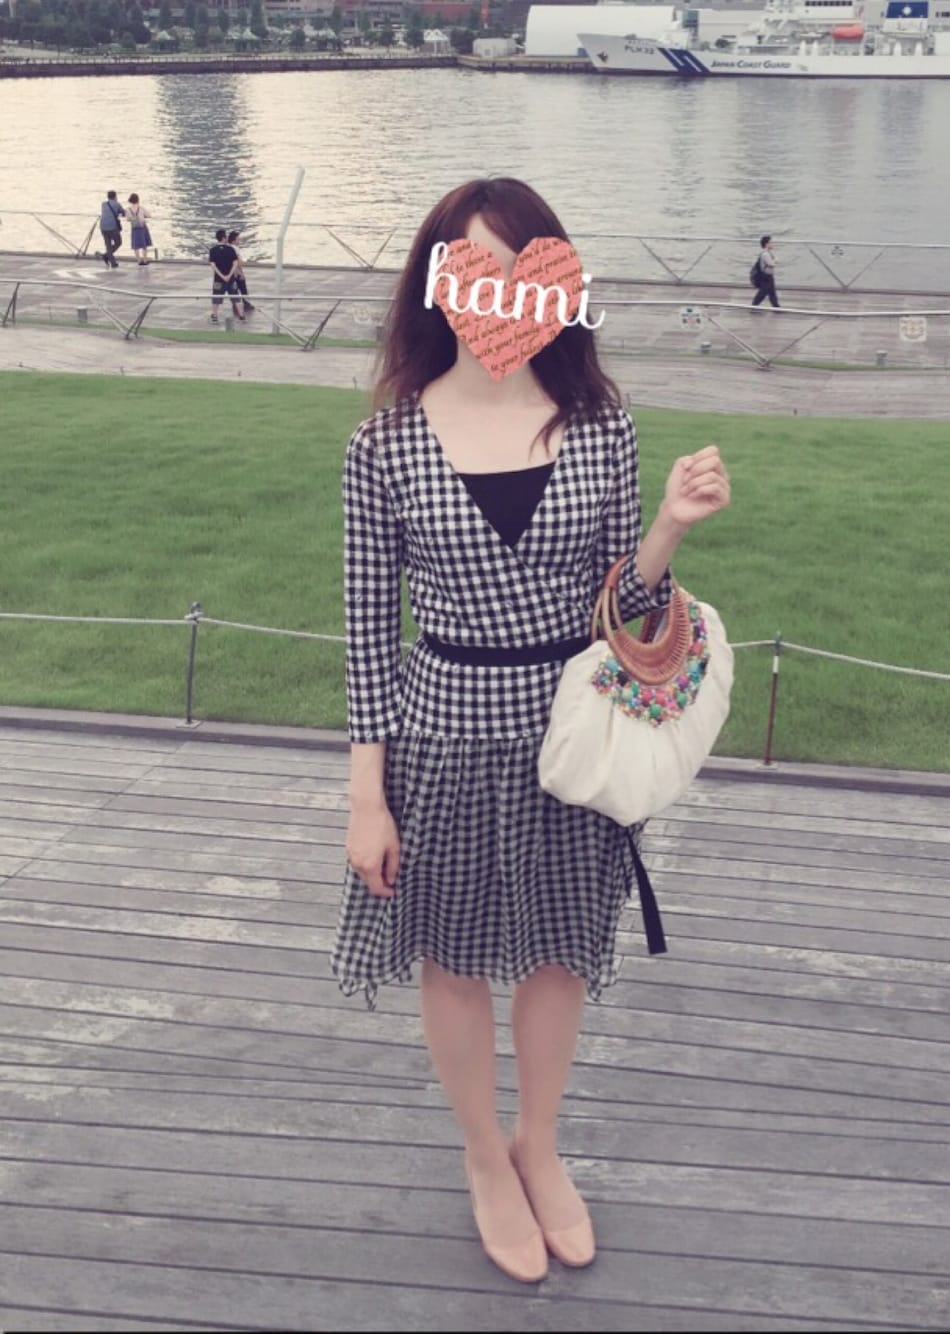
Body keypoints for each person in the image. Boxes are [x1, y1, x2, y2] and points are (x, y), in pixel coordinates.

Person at [330, 177, 730, 1285]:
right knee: (453, 955)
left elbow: (620, 609)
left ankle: (538, 1146)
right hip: (442, 738)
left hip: (570, 739)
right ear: (437, 284)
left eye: (521, 270)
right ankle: (482, 1155)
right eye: (473, 269)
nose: (496, 294)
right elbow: (367, 634)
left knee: (557, 952)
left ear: (555, 287)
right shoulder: (384, 445)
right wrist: (366, 799)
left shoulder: (601, 429)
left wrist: (665, 532)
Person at [208, 228, 245, 323]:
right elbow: (235, 263)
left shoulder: (212, 250)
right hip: (231, 279)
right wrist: (229, 275)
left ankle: (214, 316)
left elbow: (213, 265)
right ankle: (241, 316)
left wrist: (222, 276)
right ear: (224, 238)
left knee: (216, 297)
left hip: (218, 279)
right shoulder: (231, 249)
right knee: (236, 297)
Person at [95, 190, 124, 269]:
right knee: (118, 242)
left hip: (103, 226)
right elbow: (123, 212)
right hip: (112, 227)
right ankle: (106, 256)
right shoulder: (117, 204)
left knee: (108, 245)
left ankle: (112, 262)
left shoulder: (103, 204)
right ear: (115, 196)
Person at [227, 229, 255, 313]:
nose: (239, 241)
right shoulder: (235, 249)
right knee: (243, 288)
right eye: (238, 239)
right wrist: (241, 273)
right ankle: (246, 303)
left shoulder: (228, 247)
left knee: (233, 289)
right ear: (233, 240)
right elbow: (238, 262)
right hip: (236, 272)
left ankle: (235, 305)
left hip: (230, 272)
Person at [124, 193, 153, 266]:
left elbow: (128, 219)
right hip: (142, 227)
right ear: (138, 200)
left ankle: (139, 261)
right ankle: (145, 260)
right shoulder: (141, 208)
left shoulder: (128, 209)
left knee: (136, 246)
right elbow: (149, 215)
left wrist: (133, 218)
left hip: (134, 228)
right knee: (144, 245)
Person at [752, 234, 780, 308]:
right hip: (766, 277)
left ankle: (776, 307)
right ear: (766, 244)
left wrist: (774, 260)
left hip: (769, 276)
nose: (772, 244)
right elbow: (771, 264)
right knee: (762, 293)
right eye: (771, 242)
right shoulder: (765, 254)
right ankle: (754, 306)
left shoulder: (769, 253)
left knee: (772, 293)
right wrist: (776, 260)